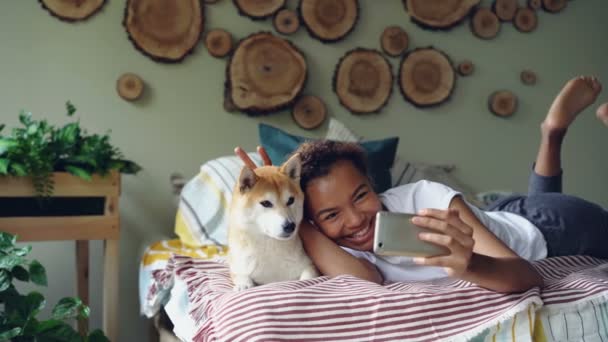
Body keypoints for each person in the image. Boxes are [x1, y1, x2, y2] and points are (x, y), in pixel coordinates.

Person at [235, 76, 608, 293]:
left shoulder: (423, 196)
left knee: (548, 207)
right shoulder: (334, 247)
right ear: (312, 223)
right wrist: (285, 200)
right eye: (331, 214)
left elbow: (526, 276)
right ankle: (552, 133)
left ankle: (552, 133)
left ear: (374, 183)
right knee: (521, 209)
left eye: (361, 195)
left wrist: (470, 265)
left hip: (554, 227)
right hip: (499, 218)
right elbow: (368, 280)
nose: (355, 221)